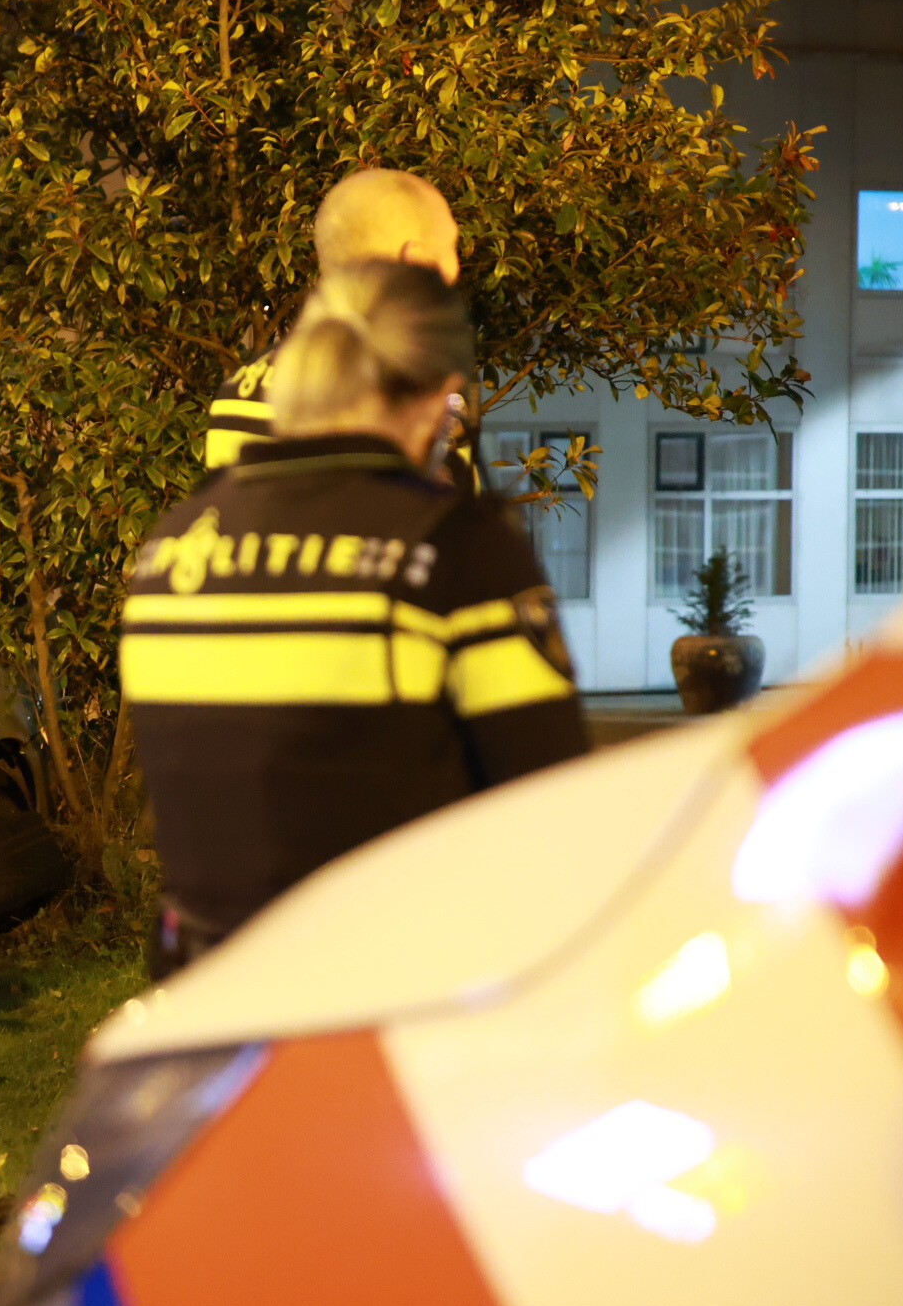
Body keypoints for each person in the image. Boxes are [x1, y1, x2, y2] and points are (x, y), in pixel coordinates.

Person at [125, 260, 590, 978]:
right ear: (440, 399)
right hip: (389, 1011)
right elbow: (553, 810)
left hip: (208, 1017)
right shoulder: (453, 548)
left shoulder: (169, 548)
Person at [203, 168, 466, 476]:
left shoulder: (239, 388)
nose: (457, 268)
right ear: (417, 262)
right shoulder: (416, 399)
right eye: (452, 247)